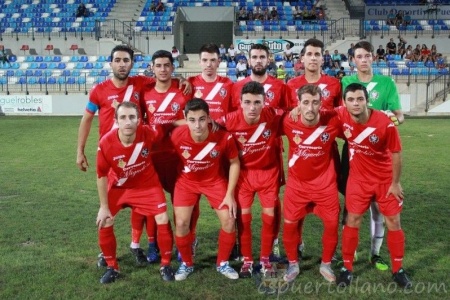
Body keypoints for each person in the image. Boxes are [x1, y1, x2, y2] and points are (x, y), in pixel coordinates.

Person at [76, 45, 190, 266]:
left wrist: (180, 79)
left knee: (143, 201)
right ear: (111, 63)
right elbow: (87, 119)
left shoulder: (140, 83)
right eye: (117, 60)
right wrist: (79, 151)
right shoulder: (99, 90)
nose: (121, 64)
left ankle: (139, 245)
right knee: (108, 206)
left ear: (131, 63)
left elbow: (163, 77)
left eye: (125, 60)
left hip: (139, 152)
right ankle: (107, 253)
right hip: (111, 155)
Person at [336, 83, 412, 289]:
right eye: (351, 100)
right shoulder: (341, 115)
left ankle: (398, 270)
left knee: (393, 222)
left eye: (360, 99)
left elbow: (396, 153)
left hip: (385, 180)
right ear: (344, 103)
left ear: (366, 100)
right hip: (358, 180)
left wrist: (395, 183)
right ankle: (347, 267)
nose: (355, 103)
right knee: (352, 219)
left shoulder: (384, 123)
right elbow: (319, 111)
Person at [341, 40, 404, 273]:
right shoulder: (347, 82)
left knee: (380, 210)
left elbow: (400, 115)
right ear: (353, 60)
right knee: (351, 205)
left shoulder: (386, 83)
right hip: (354, 151)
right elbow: (340, 115)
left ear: (372, 58)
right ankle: (350, 254)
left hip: (381, 153)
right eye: (359, 56)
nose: (364, 59)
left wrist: (391, 119)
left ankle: (375, 252)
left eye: (368, 55)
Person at [95, 101, 175, 283]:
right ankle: (112, 267)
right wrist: (103, 206)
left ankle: (165, 264)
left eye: (132, 117)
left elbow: (167, 126)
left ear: (139, 120)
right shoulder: (106, 143)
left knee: (162, 218)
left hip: (147, 185)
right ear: (116, 120)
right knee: (104, 220)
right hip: (120, 187)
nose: (128, 122)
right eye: (123, 117)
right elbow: (101, 176)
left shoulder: (148, 132)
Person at [230, 43, 291, 262]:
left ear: (269, 60)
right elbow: (232, 118)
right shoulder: (237, 87)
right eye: (254, 56)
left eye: (262, 57)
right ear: (247, 60)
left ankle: (273, 245)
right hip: (243, 158)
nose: (258, 60)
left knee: (273, 203)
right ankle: (240, 246)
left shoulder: (280, 87)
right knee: (241, 205)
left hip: (270, 155)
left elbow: (288, 116)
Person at [219, 81, 284, 278]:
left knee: (268, 218)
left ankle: (265, 258)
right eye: (247, 102)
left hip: (268, 173)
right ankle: (247, 259)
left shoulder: (273, 115)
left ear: (265, 102)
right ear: (239, 102)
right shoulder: (229, 120)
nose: (252, 107)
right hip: (244, 175)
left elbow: (294, 112)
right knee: (244, 219)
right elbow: (204, 123)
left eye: (257, 102)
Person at [171, 98, 240, 281]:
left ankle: (222, 263)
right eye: (192, 120)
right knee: (181, 224)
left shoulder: (224, 137)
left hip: (214, 182)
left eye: (202, 119)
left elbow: (234, 163)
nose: (198, 125)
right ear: (185, 119)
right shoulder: (177, 135)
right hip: (186, 182)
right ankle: (186, 263)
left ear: (209, 118)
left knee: (229, 220)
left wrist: (230, 194)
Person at [135, 50, 192, 263]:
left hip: (179, 156)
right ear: (152, 68)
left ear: (173, 67)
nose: (162, 69)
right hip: (153, 156)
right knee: (153, 203)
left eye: (167, 65)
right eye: (158, 65)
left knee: (183, 203)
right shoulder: (145, 92)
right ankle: (153, 245)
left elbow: (192, 118)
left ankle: (185, 242)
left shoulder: (184, 90)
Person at [287, 38, 342, 258]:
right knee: (296, 206)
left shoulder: (334, 84)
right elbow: (288, 114)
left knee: (331, 201)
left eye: (317, 54)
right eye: (309, 54)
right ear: (302, 58)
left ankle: (333, 250)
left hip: (327, 149)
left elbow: (340, 113)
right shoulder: (291, 84)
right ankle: (297, 244)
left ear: (322, 57)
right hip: (301, 151)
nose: (313, 58)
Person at [282, 84, 342, 283]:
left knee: (332, 224)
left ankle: (326, 264)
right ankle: (293, 263)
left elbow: (356, 120)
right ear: (297, 104)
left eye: (315, 102)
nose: (310, 108)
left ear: (321, 104)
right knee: (289, 224)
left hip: (325, 186)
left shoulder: (332, 121)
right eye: (305, 102)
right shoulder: (288, 122)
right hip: (297, 186)